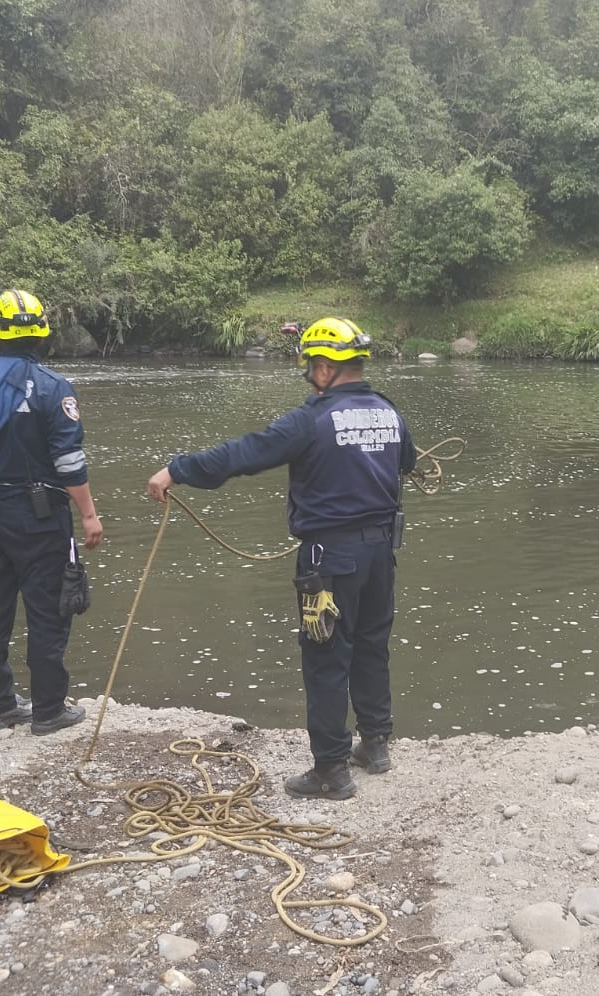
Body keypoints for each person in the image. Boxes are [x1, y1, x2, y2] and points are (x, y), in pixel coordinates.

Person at [146, 316, 414, 800]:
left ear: (327, 367)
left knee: (326, 656)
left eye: (312, 365)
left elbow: (245, 453)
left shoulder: (309, 421)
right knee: (372, 644)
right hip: (380, 555)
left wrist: (176, 470)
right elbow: (408, 463)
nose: (309, 374)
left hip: (329, 558)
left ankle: (331, 769)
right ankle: (375, 743)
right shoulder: (388, 412)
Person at [0, 289, 103, 737]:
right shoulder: (54, 388)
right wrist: (90, 515)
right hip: (40, 516)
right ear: (40, 335)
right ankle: (49, 710)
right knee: (48, 611)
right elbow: (69, 462)